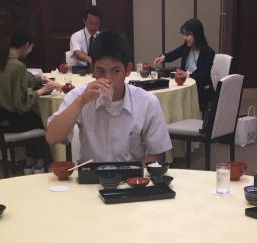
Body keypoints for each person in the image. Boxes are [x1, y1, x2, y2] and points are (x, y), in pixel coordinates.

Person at [46, 32, 172, 165]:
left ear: (128, 69)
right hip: (90, 175)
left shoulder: (146, 102)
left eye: (116, 71)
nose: (108, 79)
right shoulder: (79, 96)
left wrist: (133, 171)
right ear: (92, 69)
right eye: (100, 71)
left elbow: (157, 152)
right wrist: (81, 101)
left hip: (132, 175)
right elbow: (52, 137)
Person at [0, 28, 59, 174]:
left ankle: (29, 160)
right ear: (26, 45)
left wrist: (41, 80)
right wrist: (41, 91)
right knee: (40, 121)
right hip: (11, 120)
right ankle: (41, 163)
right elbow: (22, 105)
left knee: (32, 118)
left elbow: (24, 79)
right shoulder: (17, 65)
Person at [152, 19, 216, 112]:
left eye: (188, 35)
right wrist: (163, 57)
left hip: (201, 91)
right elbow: (174, 53)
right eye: (184, 34)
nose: (185, 38)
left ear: (197, 34)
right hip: (186, 85)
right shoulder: (186, 47)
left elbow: (203, 75)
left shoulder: (208, 52)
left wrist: (187, 74)